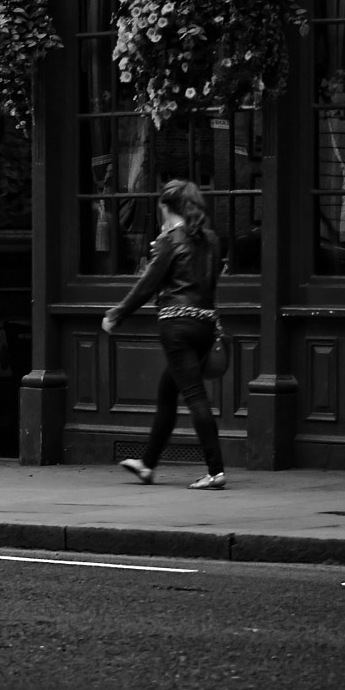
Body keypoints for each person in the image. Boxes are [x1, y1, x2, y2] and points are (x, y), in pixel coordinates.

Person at [103, 178, 227, 491]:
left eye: (161, 208)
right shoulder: (210, 239)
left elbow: (147, 285)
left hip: (177, 326)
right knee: (167, 392)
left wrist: (117, 314)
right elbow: (211, 285)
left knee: (195, 396)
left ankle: (216, 471)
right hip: (204, 325)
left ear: (167, 207)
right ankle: (147, 465)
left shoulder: (171, 239)